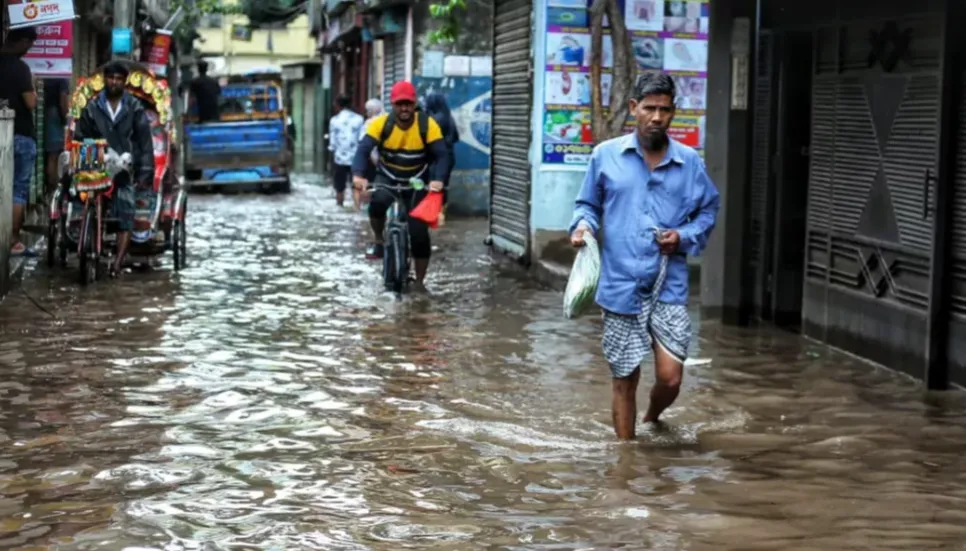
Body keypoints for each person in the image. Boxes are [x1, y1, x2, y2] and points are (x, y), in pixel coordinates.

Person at [570, 72, 720, 441]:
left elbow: (708, 211)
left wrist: (683, 236)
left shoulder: (689, 163)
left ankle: (652, 417)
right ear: (634, 108)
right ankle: (626, 459)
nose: (656, 117)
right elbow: (587, 204)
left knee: (671, 377)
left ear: (674, 113)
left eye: (664, 110)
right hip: (620, 284)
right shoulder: (605, 156)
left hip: (668, 284)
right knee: (624, 376)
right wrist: (582, 227)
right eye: (649, 108)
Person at [351, 81, 449, 290]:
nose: (404, 109)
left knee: (419, 233)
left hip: (417, 181)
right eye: (399, 104)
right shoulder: (380, 124)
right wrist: (358, 176)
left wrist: (438, 179)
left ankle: (420, 281)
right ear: (392, 105)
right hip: (387, 177)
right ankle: (378, 239)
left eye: (408, 104)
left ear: (414, 104)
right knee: (377, 203)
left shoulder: (427, 124)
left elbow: (442, 155)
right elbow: (363, 149)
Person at [73, 61, 155, 278]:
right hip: (97, 163)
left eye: (119, 79)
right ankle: (86, 237)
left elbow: (144, 142)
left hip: (124, 166)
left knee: (126, 211)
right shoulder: (92, 107)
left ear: (124, 81)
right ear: (105, 80)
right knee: (83, 201)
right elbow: (80, 136)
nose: (114, 82)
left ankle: (117, 263)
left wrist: (145, 171)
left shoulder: (135, 107)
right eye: (111, 78)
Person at [0, 27, 39, 257]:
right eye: (30, 45)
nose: (28, 50)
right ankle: (13, 241)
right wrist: (33, 86)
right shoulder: (21, 69)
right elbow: (31, 103)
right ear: (23, 41)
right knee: (18, 189)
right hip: (21, 134)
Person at [327, 95, 364, 208]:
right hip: (356, 158)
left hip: (339, 158)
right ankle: (357, 206)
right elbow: (362, 138)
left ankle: (340, 204)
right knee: (356, 183)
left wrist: (332, 153)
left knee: (339, 185)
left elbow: (332, 143)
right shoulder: (359, 119)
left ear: (338, 105)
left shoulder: (334, 120)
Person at [424, 92, 459, 208]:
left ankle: (433, 211)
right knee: (443, 184)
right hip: (449, 157)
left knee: (434, 184)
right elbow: (456, 137)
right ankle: (441, 209)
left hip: (436, 158)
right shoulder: (449, 117)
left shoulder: (433, 119)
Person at [44, 78, 70, 201]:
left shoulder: (48, 76)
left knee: (51, 155)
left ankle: (50, 191)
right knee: (55, 157)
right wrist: (66, 119)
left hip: (46, 113)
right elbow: (63, 98)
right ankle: (54, 193)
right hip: (56, 115)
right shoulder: (62, 76)